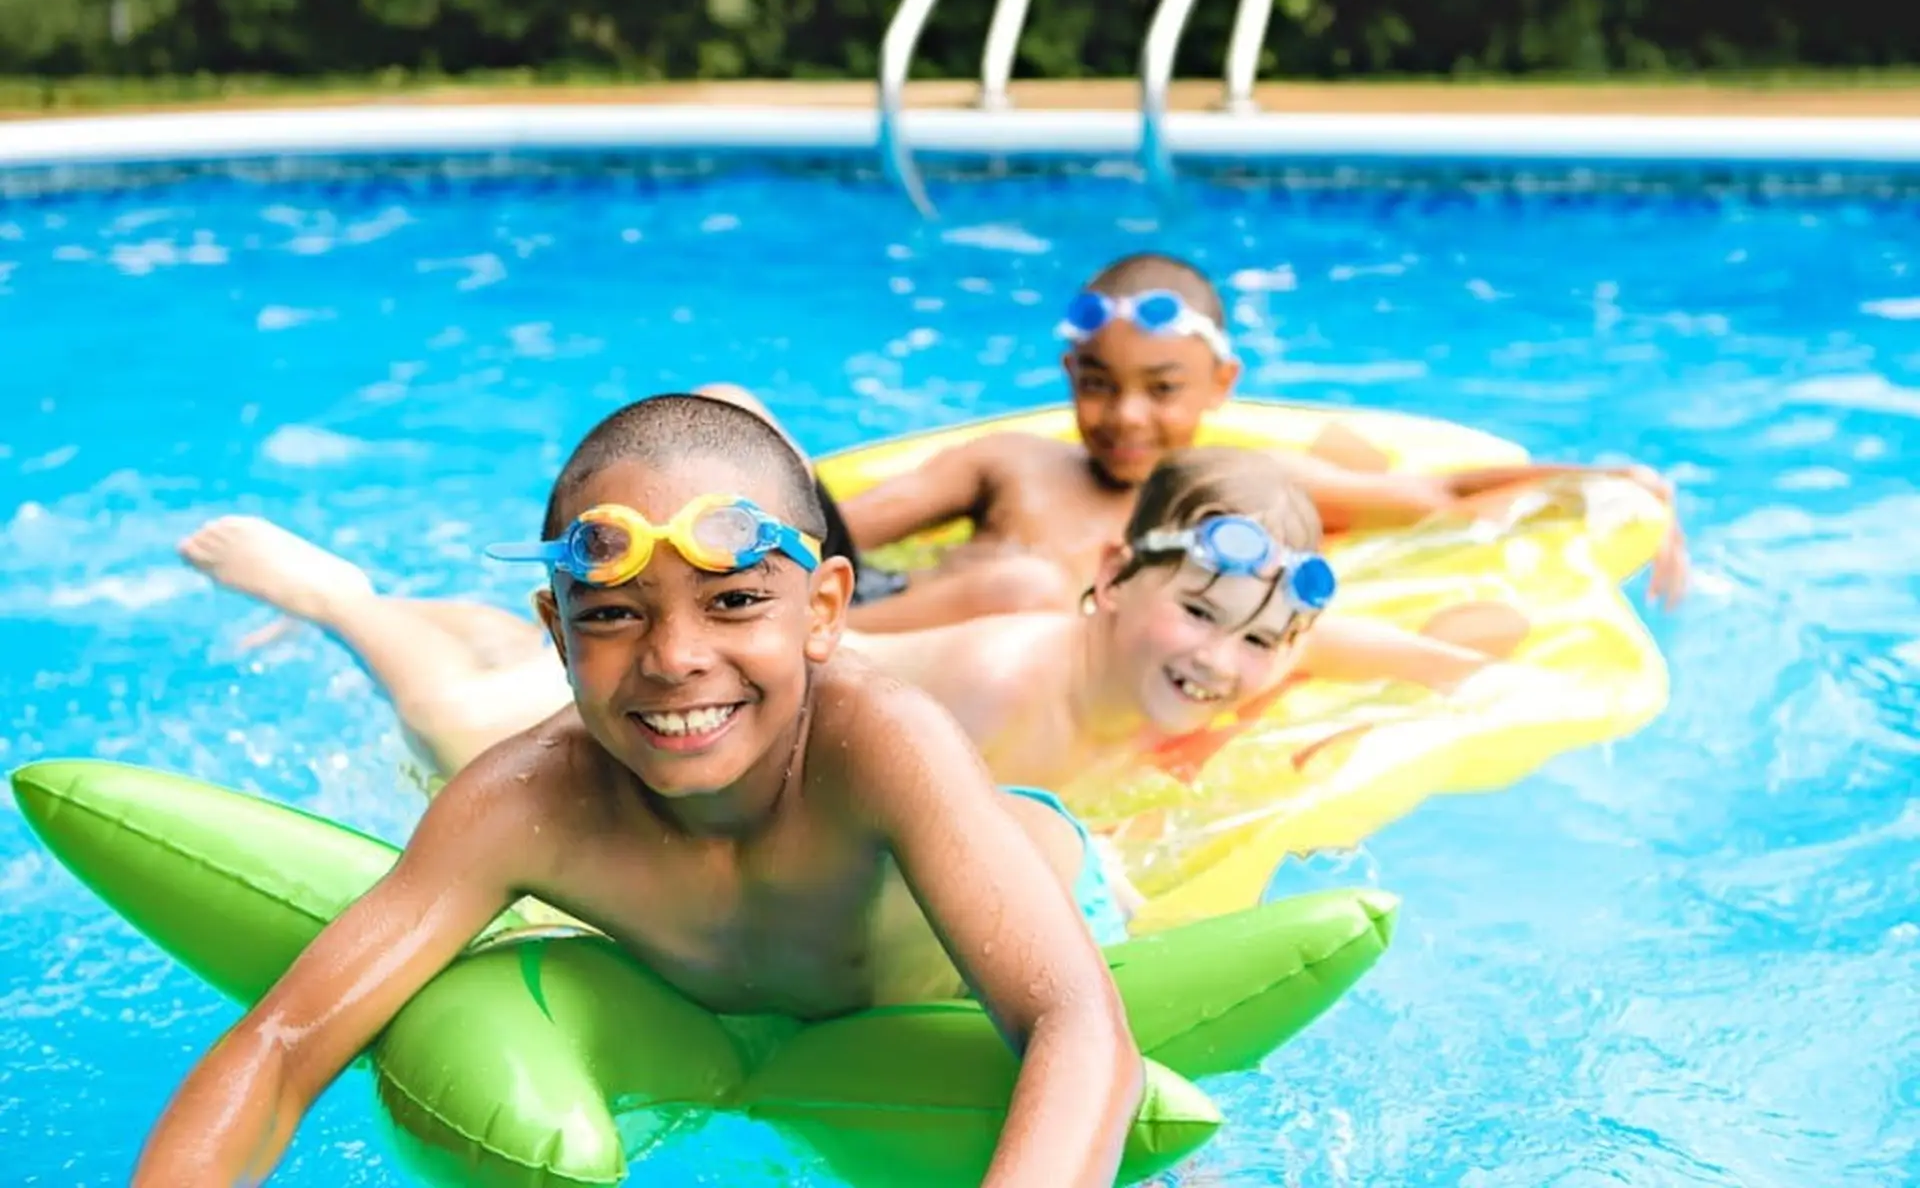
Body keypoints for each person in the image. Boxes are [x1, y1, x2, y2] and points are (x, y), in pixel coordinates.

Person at [140, 394, 1142, 1187]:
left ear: (827, 609)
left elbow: (1074, 1024)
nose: (675, 659)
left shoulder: (884, 745)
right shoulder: (526, 800)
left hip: (1048, 910)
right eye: (614, 615)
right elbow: (280, 1046)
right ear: (555, 627)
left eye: (737, 602)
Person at [179, 448, 1527, 806]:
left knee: (519, 668)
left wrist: (1471, 656)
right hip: (762, 714)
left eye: (1259, 642)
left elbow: (1376, 652)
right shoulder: (1010, 683)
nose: (1221, 663)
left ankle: (468, 618)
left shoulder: (1227, 664)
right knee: (465, 739)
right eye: (1200, 616)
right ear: (1111, 581)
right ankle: (339, 596)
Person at [830, 251, 1691, 633]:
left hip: (1008, 666)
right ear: (1069, 374)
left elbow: (1435, 496)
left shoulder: (1239, 486)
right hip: (881, 619)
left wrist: (1614, 480)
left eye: (1161, 389)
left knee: (1030, 594)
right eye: (1098, 383)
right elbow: (836, 533)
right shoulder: (1011, 463)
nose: (1126, 415)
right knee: (1019, 584)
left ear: (1221, 385)